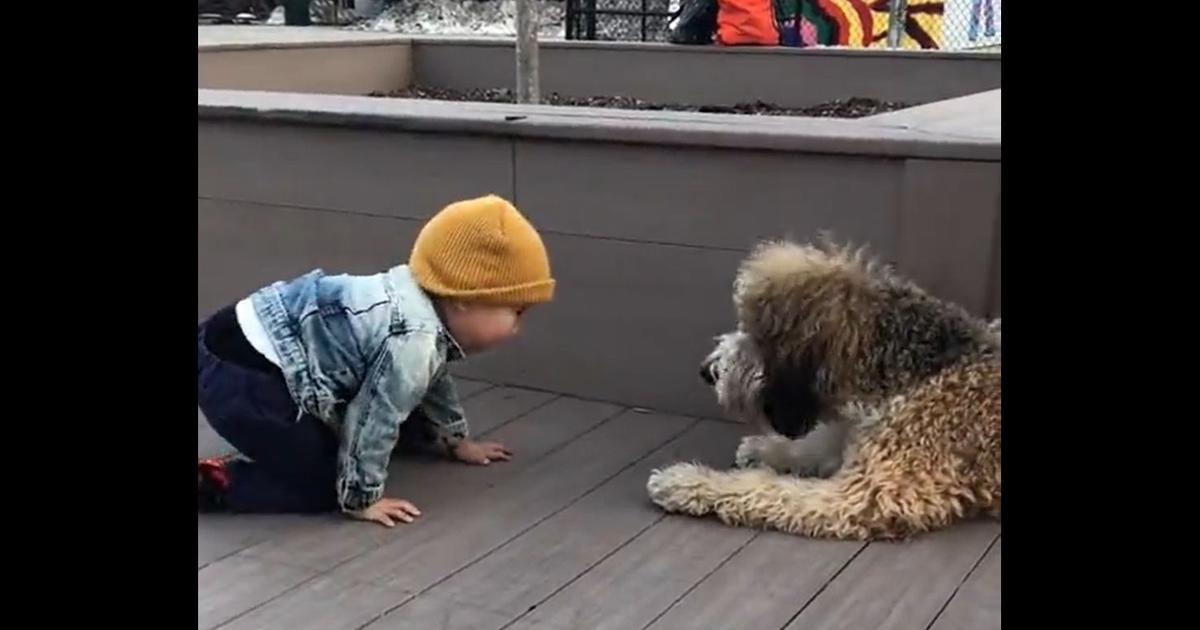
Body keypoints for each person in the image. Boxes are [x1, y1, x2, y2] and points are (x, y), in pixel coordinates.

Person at [196, 195, 555, 527]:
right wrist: (361, 498)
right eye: (516, 311)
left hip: (232, 340)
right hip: (242, 380)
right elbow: (373, 417)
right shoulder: (412, 340)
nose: (517, 329)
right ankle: (214, 483)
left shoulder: (414, 300)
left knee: (397, 408)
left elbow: (433, 379)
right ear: (466, 297)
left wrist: (456, 439)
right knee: (325, 484)